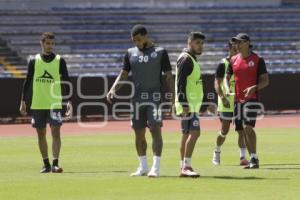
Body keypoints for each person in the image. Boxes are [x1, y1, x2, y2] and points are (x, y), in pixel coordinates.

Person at [106, 24, 174, 177]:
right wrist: (112, 89)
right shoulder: (130, 53)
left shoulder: (161, 52)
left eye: (138, 39)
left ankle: (155, 168)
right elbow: (123, 74)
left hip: (155, 98)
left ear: (146, 35)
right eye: (133, 40)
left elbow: (169, 76)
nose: (136, 43)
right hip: (137, 100)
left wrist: (172, 98)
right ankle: (143, 166)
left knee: (155, 130)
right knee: (138, 133)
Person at [19, 32, 73, 173]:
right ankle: (46, 164)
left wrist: (69, 101)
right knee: (41, 134)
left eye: (52, 43)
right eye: (47, 43)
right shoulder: (34, 60)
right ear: (41, 43)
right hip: (38, 104)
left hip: (55, 103)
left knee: (56, 132)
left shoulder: (60, 60)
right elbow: (28, 81)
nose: (50, 46)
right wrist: (23, 100)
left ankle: (55, 163)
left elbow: (66, 81)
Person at [225, 33, 269, 169]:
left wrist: (254, 87)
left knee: (247, 127)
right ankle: (253, 159)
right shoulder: (233, 60)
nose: (236, 45)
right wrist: (227, 89)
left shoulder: (257, 59)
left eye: (239, 42)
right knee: (242, 130)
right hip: (237, 100)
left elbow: (265, 81)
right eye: (235, 43)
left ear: (248, 43)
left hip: (252, 99)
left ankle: (254, 157)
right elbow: (226, 77)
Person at [212, 39, 249, 166]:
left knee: (241, 129)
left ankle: (242, 157)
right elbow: (217, 83)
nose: (237, 50)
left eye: (238, 47)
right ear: (229, 48)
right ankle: (216, 151)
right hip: (226, 102)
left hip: (239, 101)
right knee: (224, 130)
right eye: (234, 48)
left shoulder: (241, 62)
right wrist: (222, 97)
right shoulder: (223, 64)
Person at [175, 32, 206, 178]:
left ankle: (183, 166)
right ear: (190, 43)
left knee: (186, 134)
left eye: (202, 43)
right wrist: (183, 102)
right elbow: (180, 82)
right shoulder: (186, 59)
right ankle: (186, 166)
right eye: (198, 43)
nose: (201, 46)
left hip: (191, 104)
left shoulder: (190, 59)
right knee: (195, 133)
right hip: (188, 105)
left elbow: (194, 83)